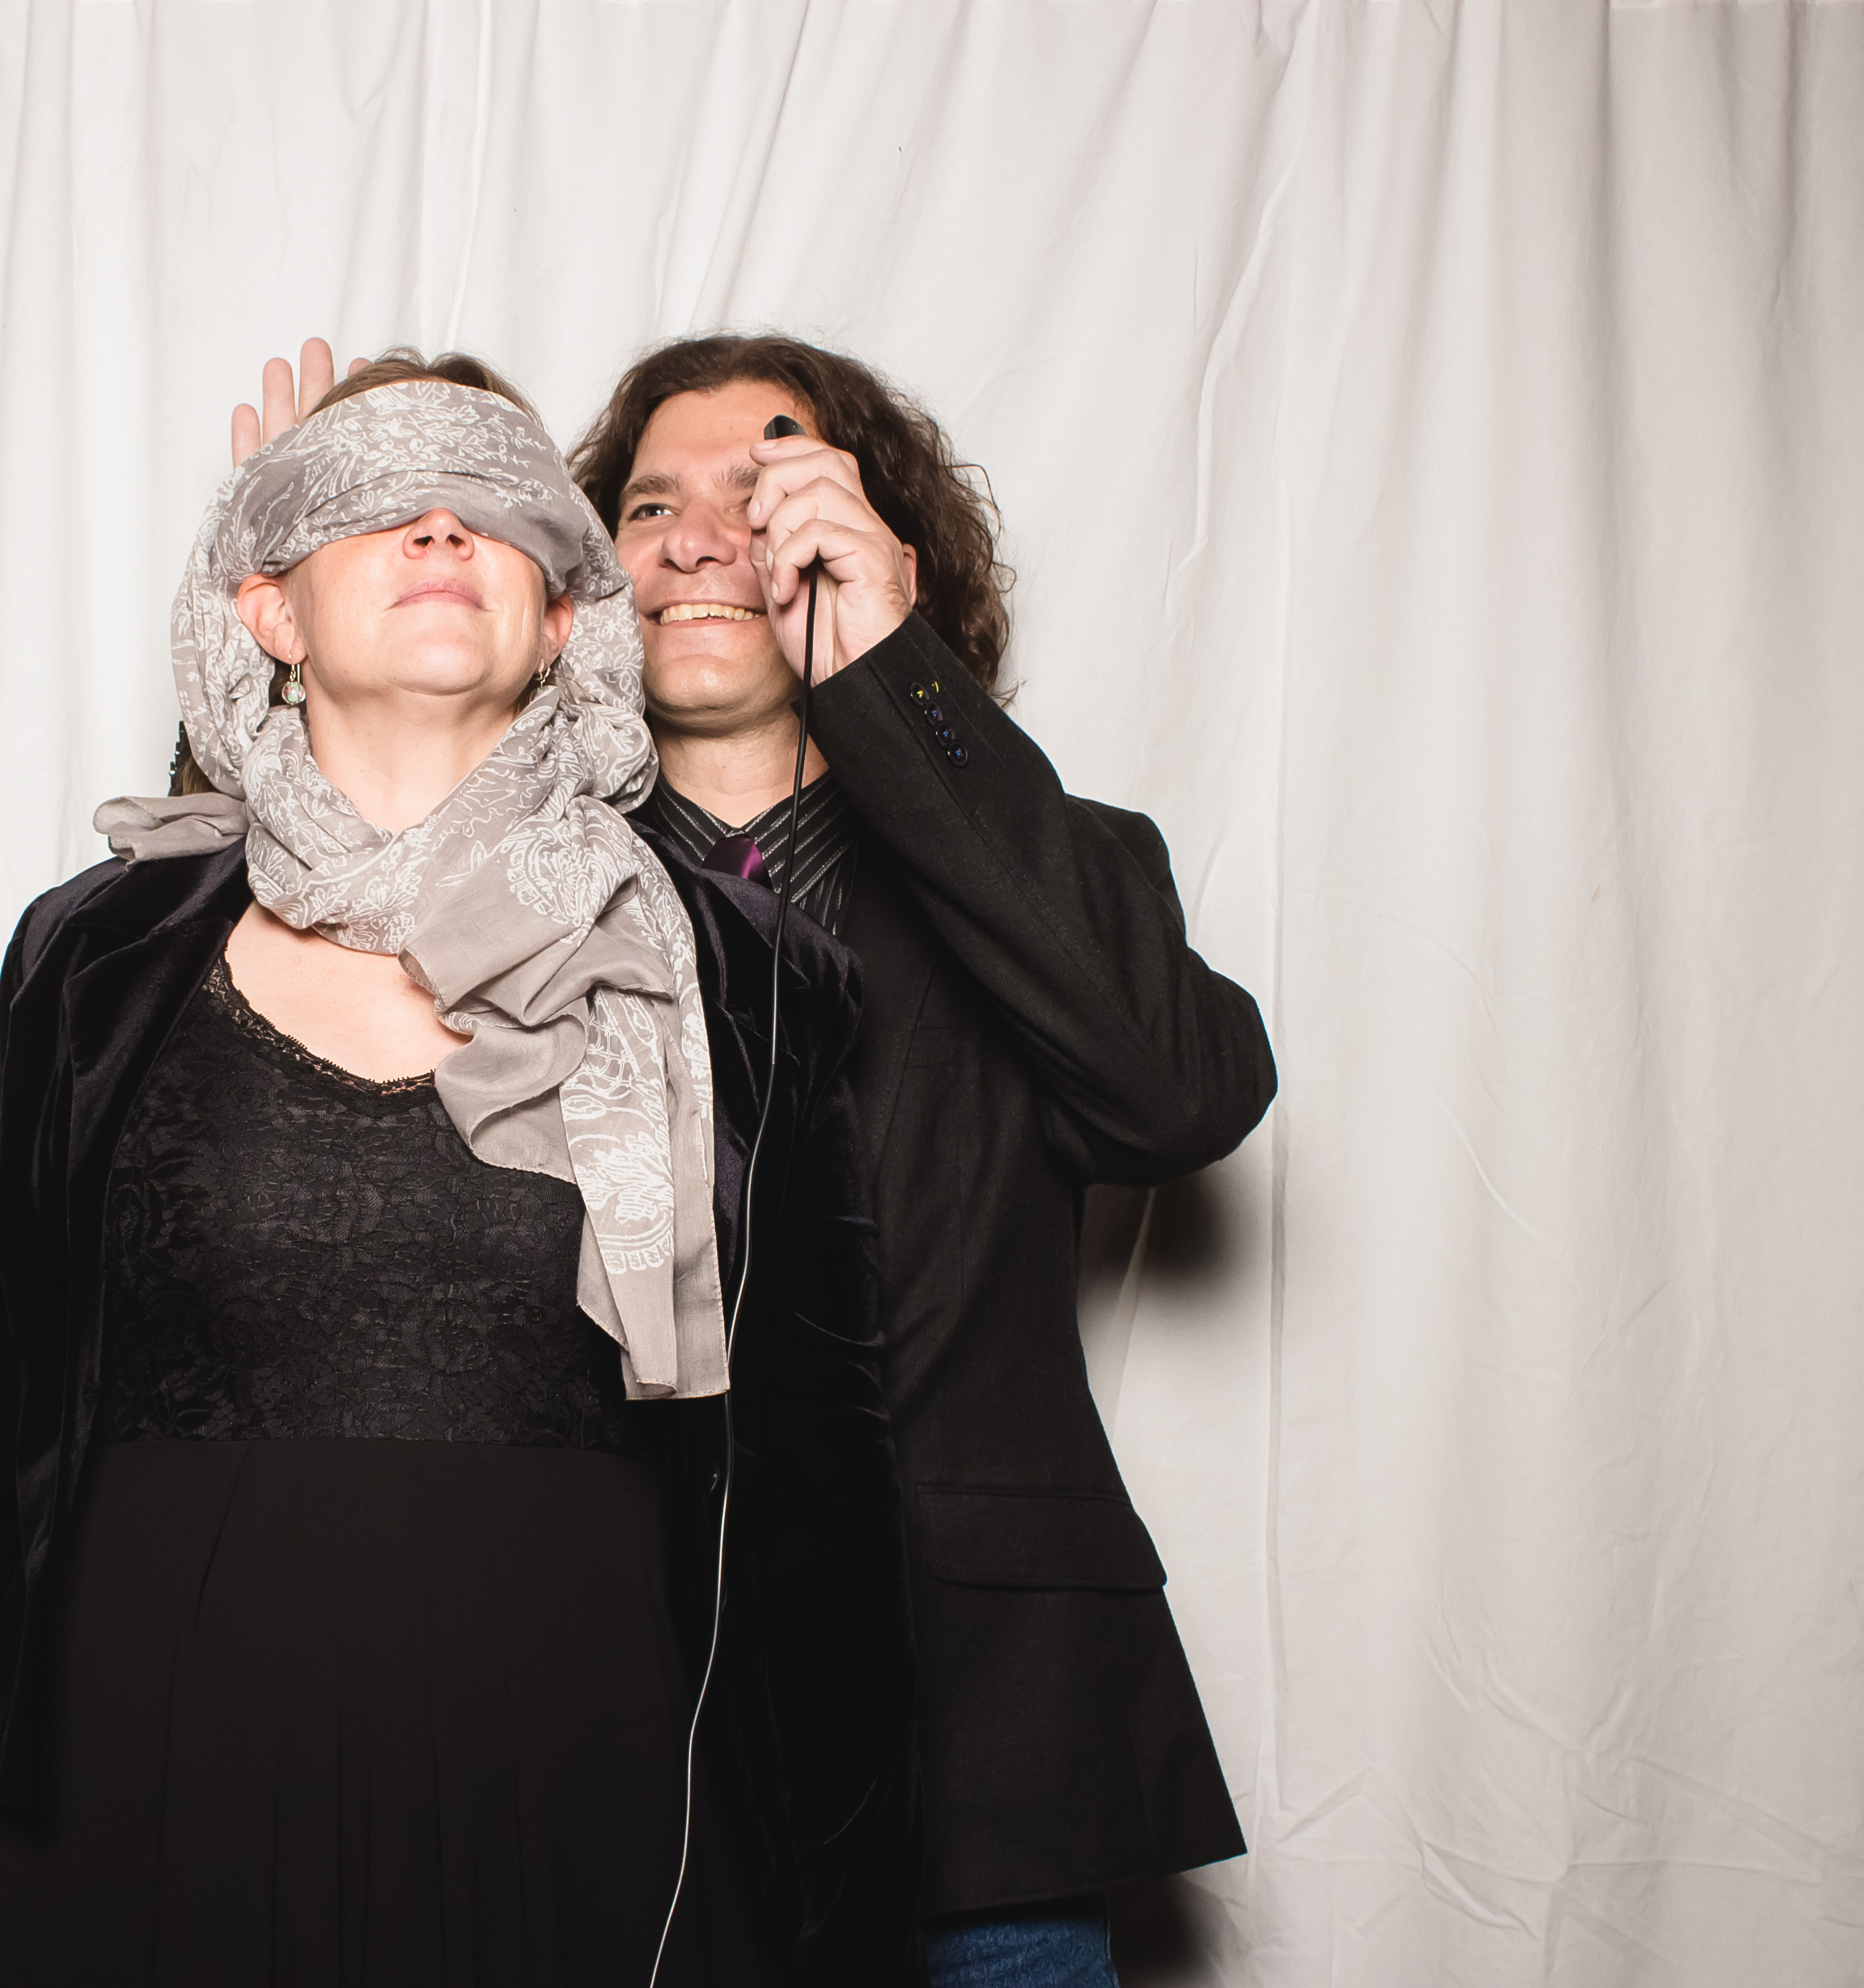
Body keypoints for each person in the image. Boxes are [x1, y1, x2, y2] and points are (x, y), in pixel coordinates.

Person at [0, 355, 923, 1987]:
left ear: (563, 620)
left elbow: (825, 1496)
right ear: (266, 612)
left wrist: (853, 1943)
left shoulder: (740, 974)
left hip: (588, 1821)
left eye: (491, 508)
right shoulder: (99, 957)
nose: (440, 530)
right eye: (372, 504)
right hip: (128, 1809)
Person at [243, 333, 1278, 1988]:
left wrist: (899, 677)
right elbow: (238, 1063)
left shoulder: (1047, 864)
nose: (702, 540)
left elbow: (1178, 1097)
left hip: (977, 1773)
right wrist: (308, 605)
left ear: (885, 554)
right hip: (587, 1740)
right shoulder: (469, 891)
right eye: (651, 507)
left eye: (767, 493)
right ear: (580, 586)